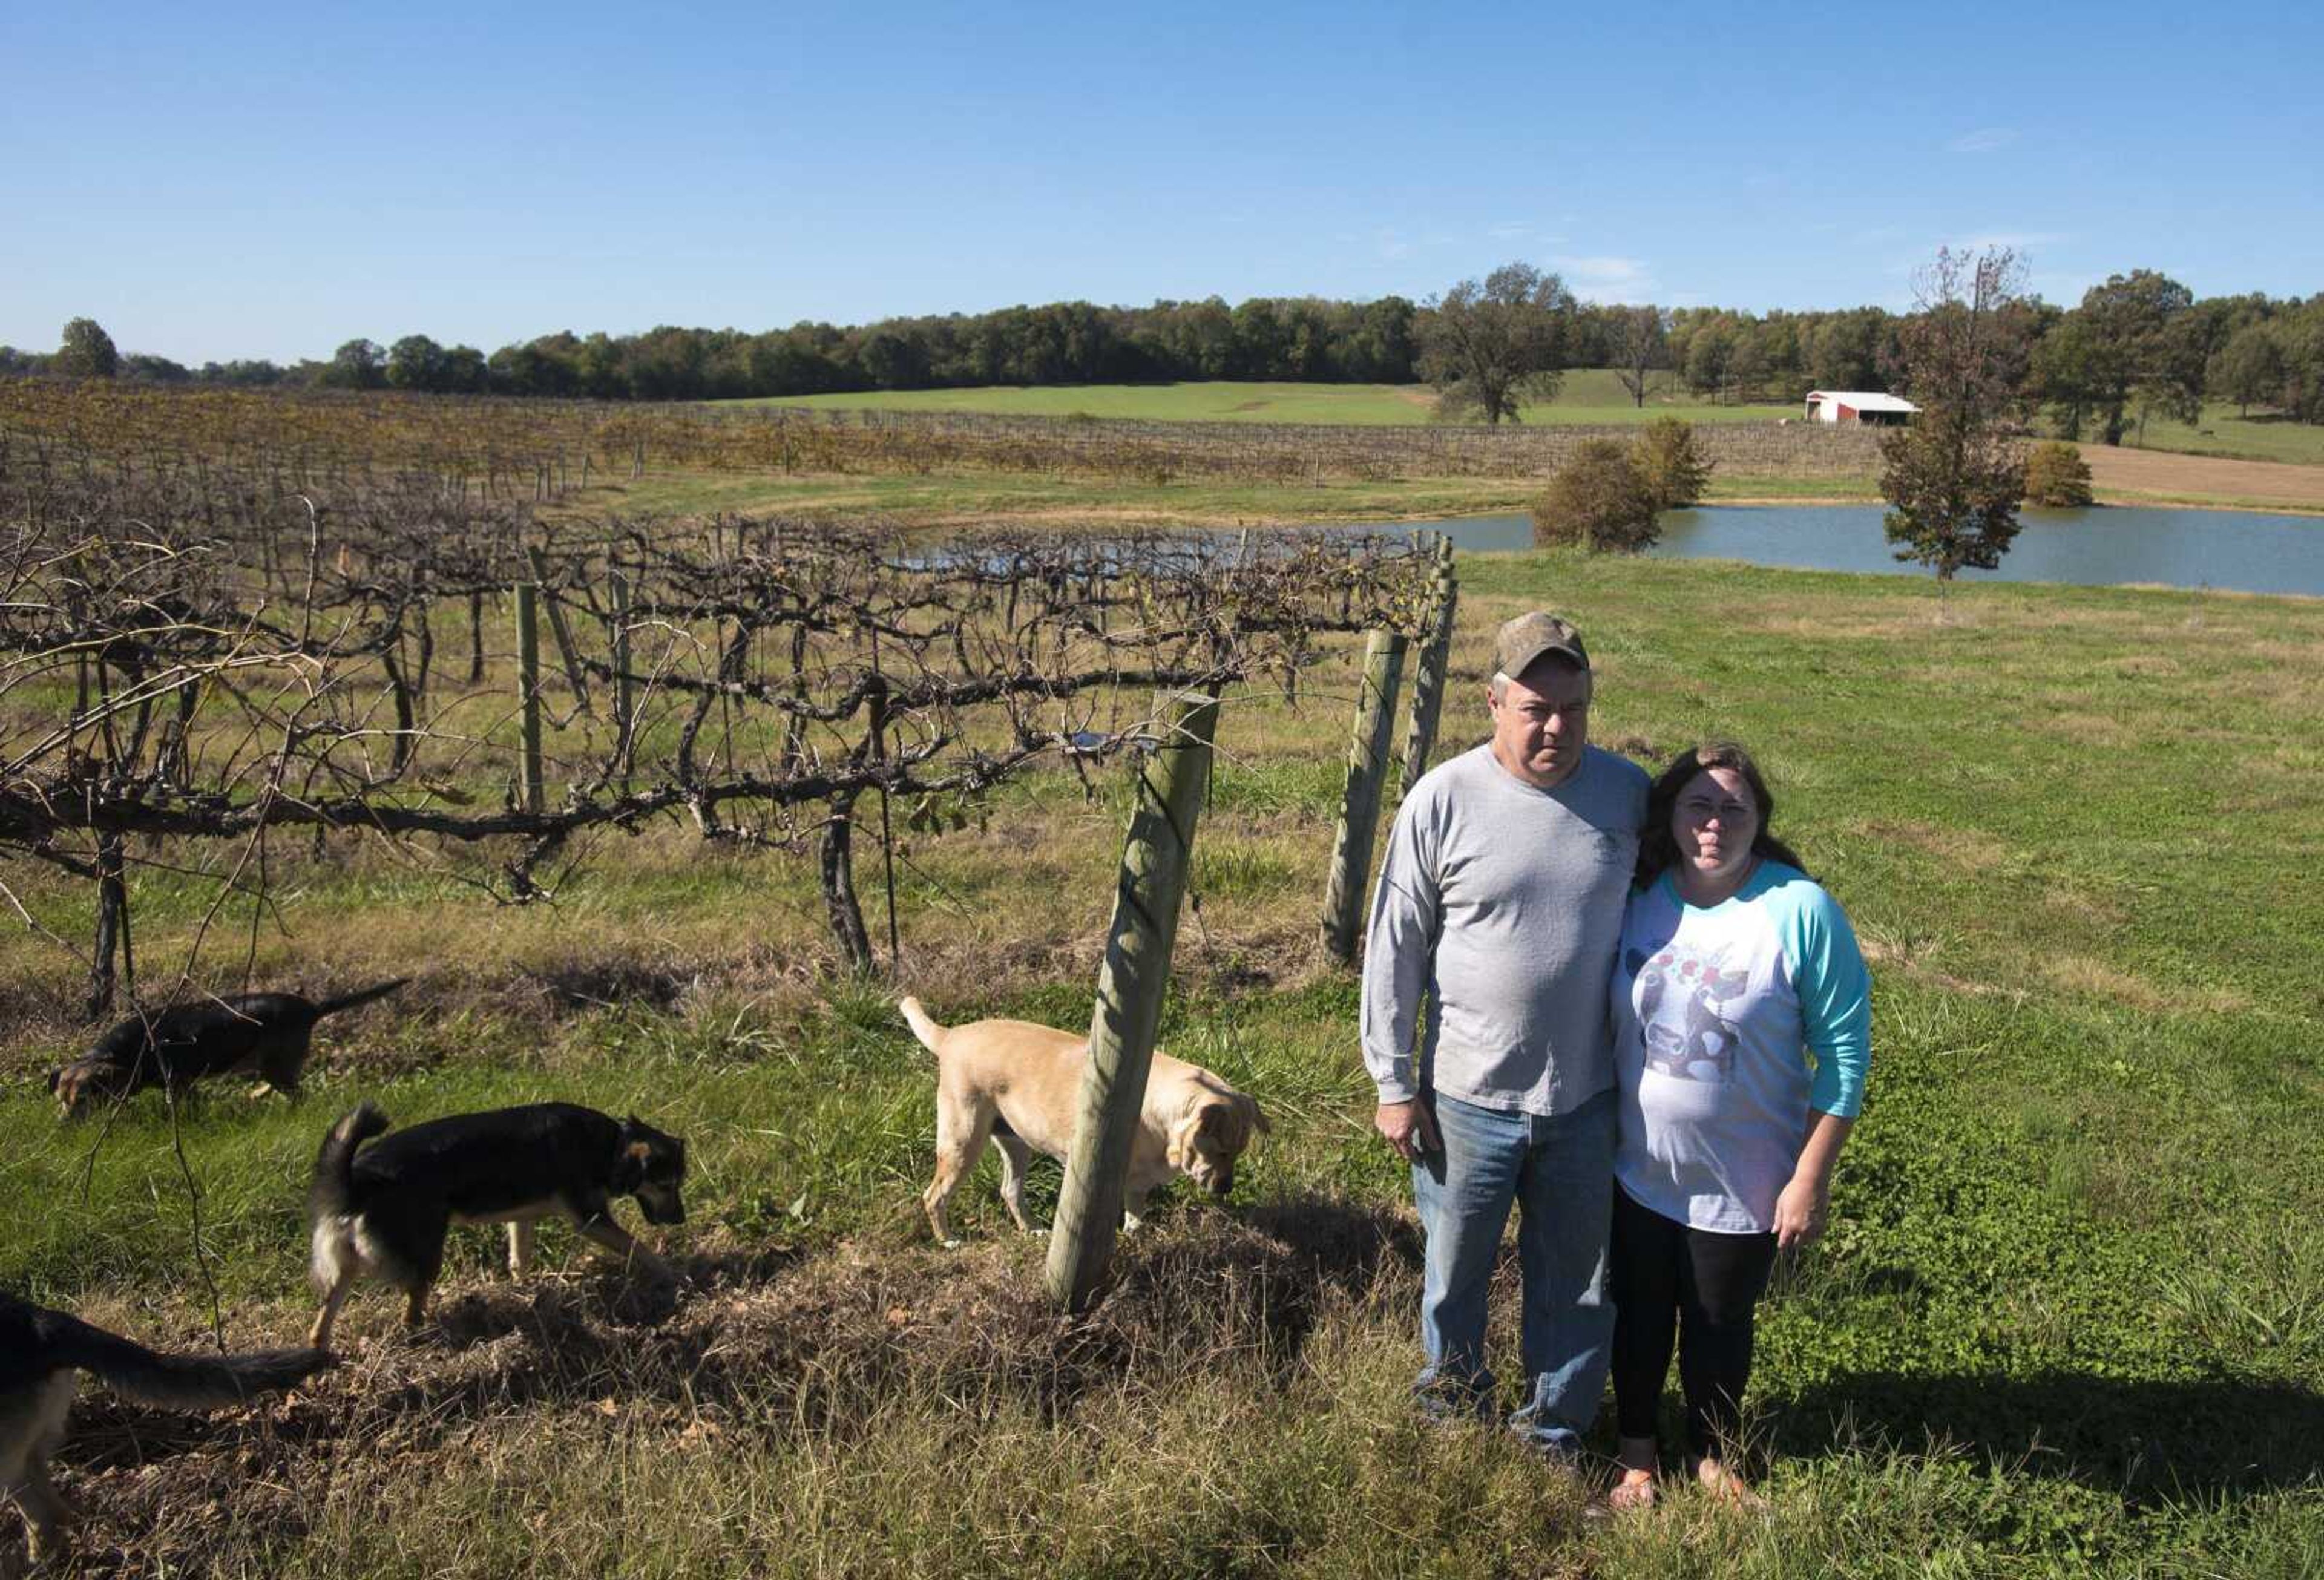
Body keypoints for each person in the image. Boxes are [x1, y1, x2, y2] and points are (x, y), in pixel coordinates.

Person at [1362, 612, 1649, 1457]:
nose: (1555, 725)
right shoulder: (1443, 798)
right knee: (1456, 1275)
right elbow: (1395, 945)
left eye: (1573, 707)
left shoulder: (1626, 795)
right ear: (1494, 702)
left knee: (1577, 1283)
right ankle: (1453, 1412)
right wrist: (1392, 1079)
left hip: (1585, 1098)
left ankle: (1553, 1432)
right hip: (1465, 1098)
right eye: (1534, 706)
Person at [1603, 742, 1871, 1509]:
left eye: (1733, 807)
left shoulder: (1799, 909)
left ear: (1759, 820)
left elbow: (1845, 1057)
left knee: (1720, 1325)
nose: (1714, 822)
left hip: (1743, 1178)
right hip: (1638, 1168)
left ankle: (1712, 1455)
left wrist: (1809, 1176)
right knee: (1641, 1316)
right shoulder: (1641, 894)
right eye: (1698, 804)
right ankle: (1637, 1453)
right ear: (1671, 816)